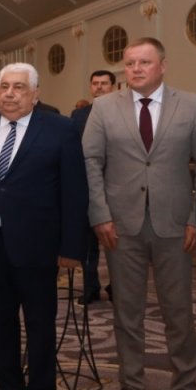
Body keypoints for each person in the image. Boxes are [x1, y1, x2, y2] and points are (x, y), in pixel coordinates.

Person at [83, 37, 196, 390]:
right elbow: (91, 161)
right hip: (121, 227)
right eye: (129, 63)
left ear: (163, 65)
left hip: (175, 225)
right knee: (127, 311)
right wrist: (100, 214)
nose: (135, 69)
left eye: (144, 62)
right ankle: (132, 386)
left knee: (179, 312)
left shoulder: (191, 105)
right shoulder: (104, 107)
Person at [0, 64, 87, 390]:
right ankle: (8, 389)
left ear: (35, 94)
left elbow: (75, 190)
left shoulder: (61, 129)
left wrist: (71, 247)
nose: (10, 94)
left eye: (19, 87)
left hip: (39, 244)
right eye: (4, 87)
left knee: (39, 323)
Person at [71, 70, 117, 304]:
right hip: (87, 184)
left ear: (113, 87)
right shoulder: (79, 115)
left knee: (116, 242)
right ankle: (91, 287)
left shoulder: (123, 111)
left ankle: (117, 286)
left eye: (104, 83)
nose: (99, 87)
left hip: (118, 185)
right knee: (88, 242)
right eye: (95, 83)